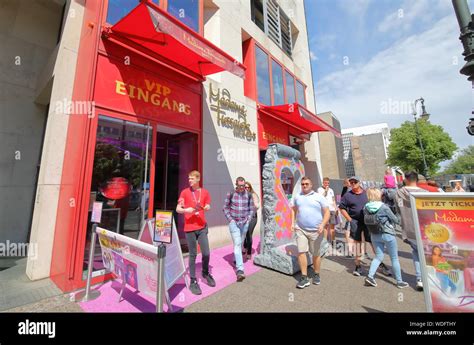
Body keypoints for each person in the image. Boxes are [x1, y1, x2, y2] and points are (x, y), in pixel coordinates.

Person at [339, 176, 391, 276]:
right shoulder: (347, 195)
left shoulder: (366, 193)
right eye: (351, 182)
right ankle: (358, 266)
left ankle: (380, 263)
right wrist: (350, 220)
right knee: (357, 243)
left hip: (369, 222)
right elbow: (342, 208)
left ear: (359, 183)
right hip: (355, 222)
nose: (353, 183)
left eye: (355, 182)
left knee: (373, 242)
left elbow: (375, 203)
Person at [176, 170, 215, 295]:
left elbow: (208, 205)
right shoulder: (184, 192)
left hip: (202, 227)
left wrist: (208, 207)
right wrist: (185, 210)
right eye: (189, 178)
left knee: (206, 252)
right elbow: (178, 209)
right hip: (190, 229)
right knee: (192, 254)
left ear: (198, 179)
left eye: (192, 178)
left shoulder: (205, 192)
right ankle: (193, 280)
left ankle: (205, 272)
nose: (189, 180)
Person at [363, 188, 409, 289]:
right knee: (394, 258)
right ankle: (399, 281)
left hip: (374, 235)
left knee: (378, 257)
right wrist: (398, 212)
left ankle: (370, 277)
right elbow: (396, 220)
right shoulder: (384, 207)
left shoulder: (365, 208)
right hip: (388, 234)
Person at [291, 177, 330, 288]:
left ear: (311, 185)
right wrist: (292, 223)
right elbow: (293, 209)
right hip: (300, 229)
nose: (304, 186)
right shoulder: (297, 196)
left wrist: (322, 224)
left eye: (307, 184)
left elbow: (327, 212)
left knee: (315, 254)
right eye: (303, 184)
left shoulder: (319, 197)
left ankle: (316, 273)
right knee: (301, 252)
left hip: (316, 231)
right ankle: (304, 277)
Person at [396, 171, 426, 291]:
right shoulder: (424, 194)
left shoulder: (399, 193)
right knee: (426, 253)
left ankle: (419, 278)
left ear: (406, 179)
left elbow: (398, 207)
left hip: (409, 227)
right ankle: (427, 277)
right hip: (424, 228)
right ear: (416, 179)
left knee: (416, 252)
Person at [223, 177, 256, 282]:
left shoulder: (249, 195)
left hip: (245, 223)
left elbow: (252, 209)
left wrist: (248, 219)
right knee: (237, 243)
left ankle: (235, 259)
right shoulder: (231, 193)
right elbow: (225, 207)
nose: (242, 187)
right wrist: (230, 219)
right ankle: (240, 270)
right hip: (234, 223)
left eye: (243, 185)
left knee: (241, 243)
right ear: (236, 184)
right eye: (240, 186)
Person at [317, 177, 338, 244]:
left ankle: (333, 241)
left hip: (332, 209)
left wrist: (336, 208)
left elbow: (333, 199)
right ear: (323, 182)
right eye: (325, 183)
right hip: (325, 210)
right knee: (325, 226)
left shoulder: (331, 190)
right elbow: (321, 198)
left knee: (332, 226)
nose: (327, 184)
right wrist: (325, 190)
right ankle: (325, 241)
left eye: (328, 183)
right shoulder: (319, 189)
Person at [243, 182, 260, 260]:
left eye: (248, 187)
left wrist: (254, 204)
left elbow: (257, 206)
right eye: (245, 187)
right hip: (245, 218)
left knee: (249, 234)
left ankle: (249, 252)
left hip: (253, 218)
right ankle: (245, 246)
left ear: (250, 188)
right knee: (245, 233)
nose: (246, 189)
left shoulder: (253, 195)